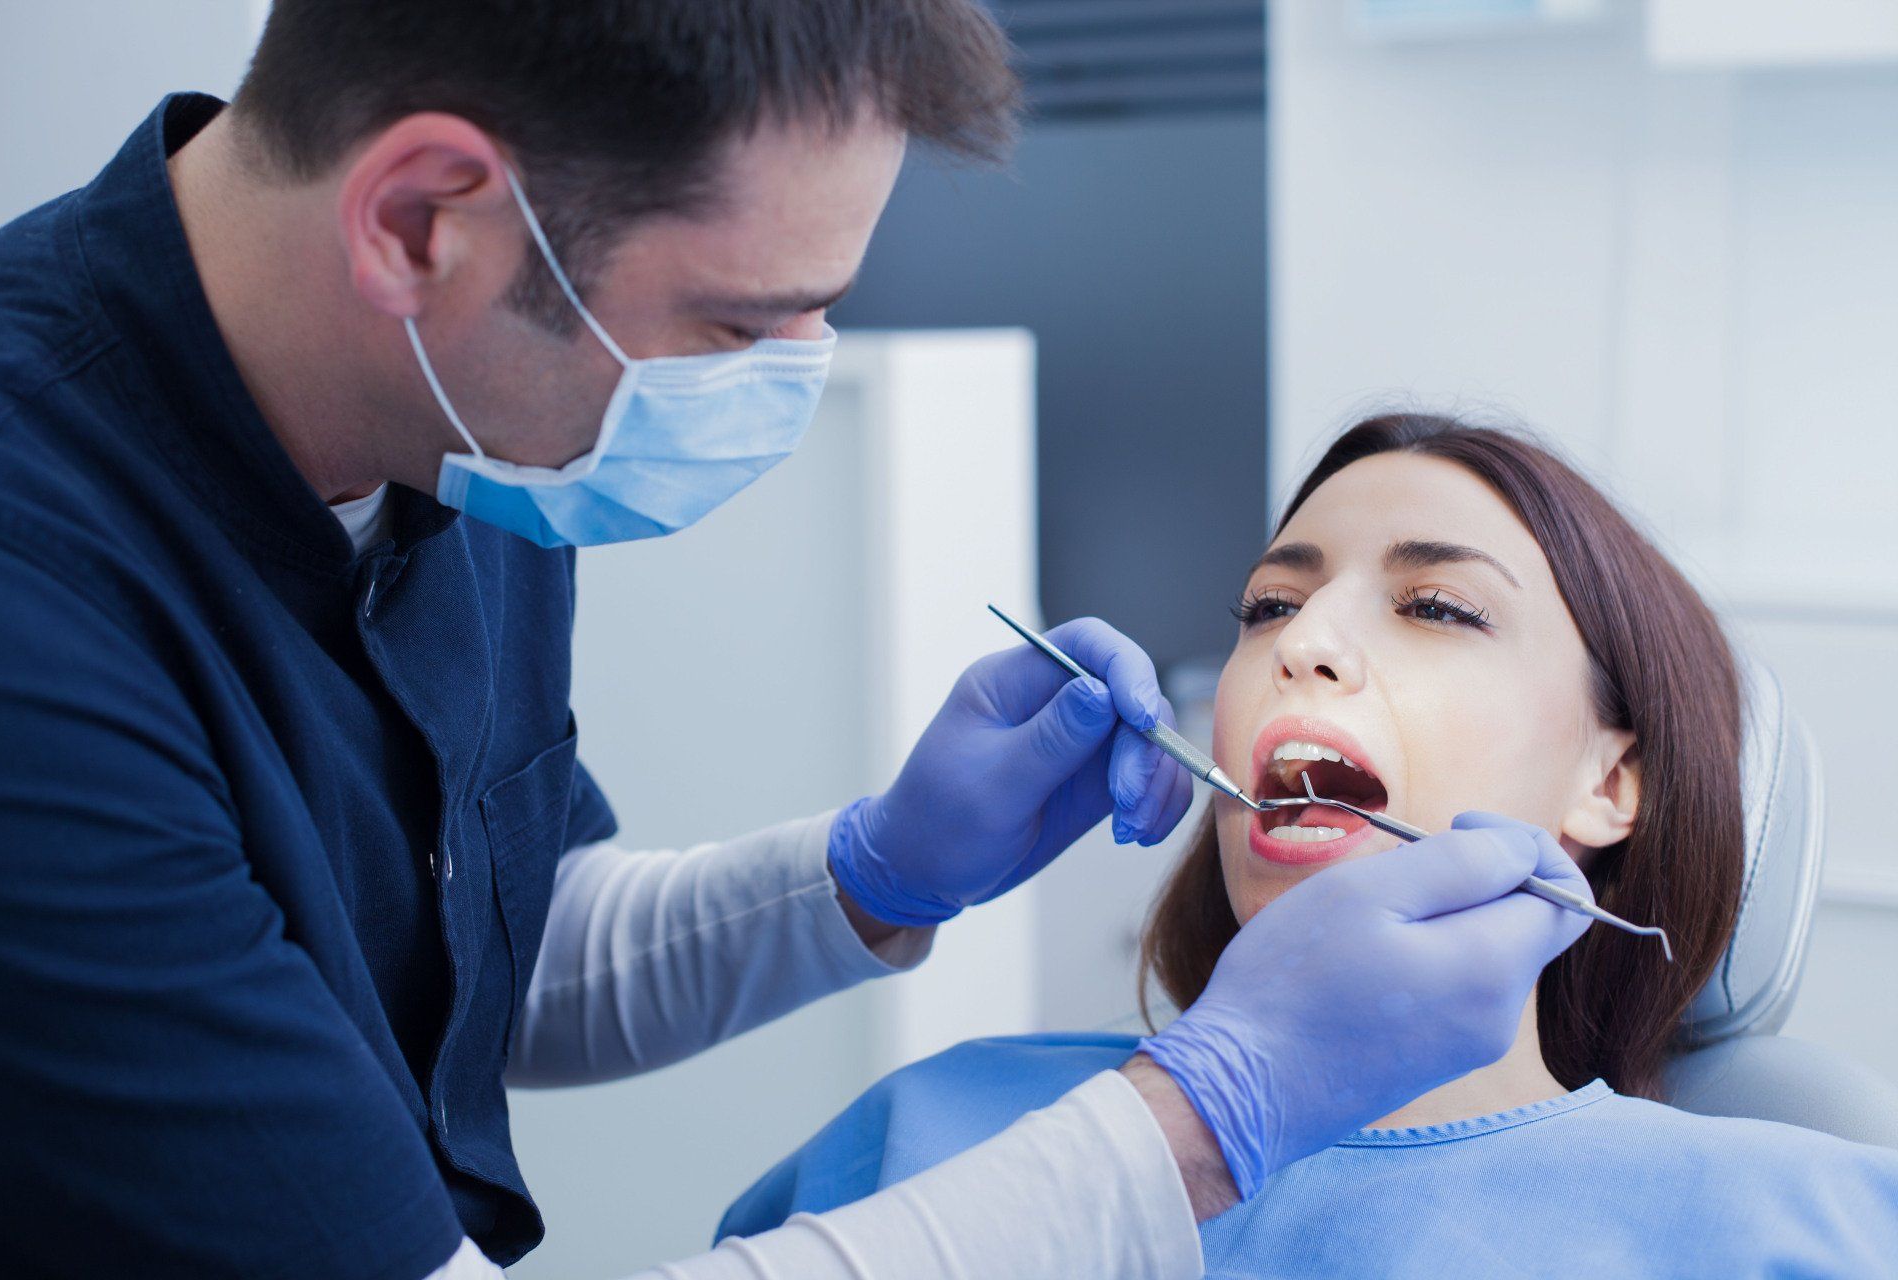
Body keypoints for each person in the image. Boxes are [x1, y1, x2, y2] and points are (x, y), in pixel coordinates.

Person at [0, 2, 1590, 1274]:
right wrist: (1209, 1115)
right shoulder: (25, 620)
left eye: (1439, 605)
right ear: (420, 223)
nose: (792, 369)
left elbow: (472, 953)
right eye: (739, 324)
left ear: (1621, 779)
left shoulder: (452, 427)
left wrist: (872, 874)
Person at [717, 414, 1898, 1276]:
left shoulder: (1802, 1223)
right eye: (1269, 607)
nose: (1306, 642)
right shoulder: (930, 1130)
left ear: (1611, 780)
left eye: (1437, 607)